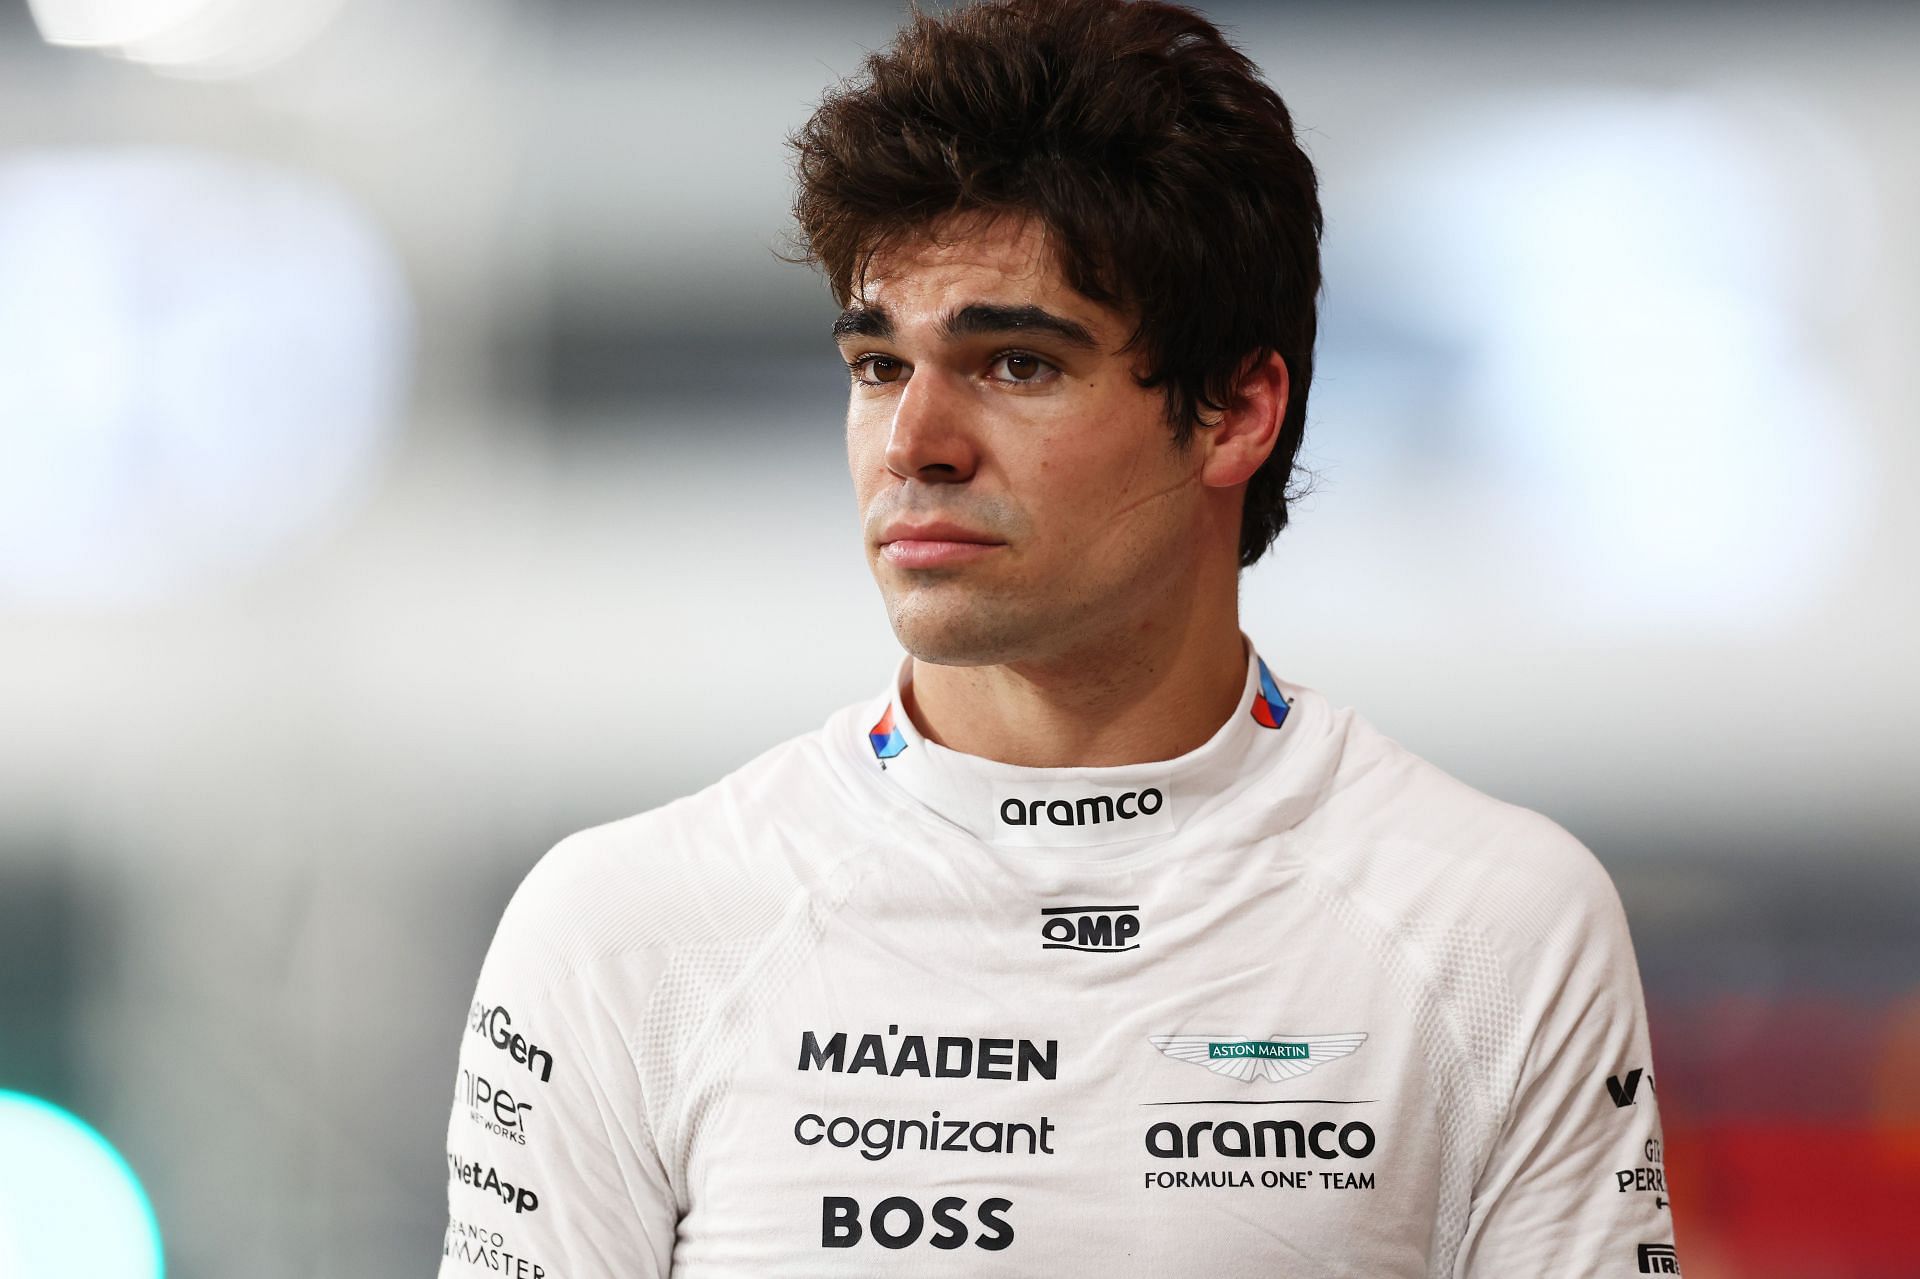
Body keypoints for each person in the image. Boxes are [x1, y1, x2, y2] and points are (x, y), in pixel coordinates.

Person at [438, 0, 1680, 1274]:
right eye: (877, 365)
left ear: (1236, 411)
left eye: (1017, 363)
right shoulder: (624, 930)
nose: (915, 440)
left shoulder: (1496, 927)